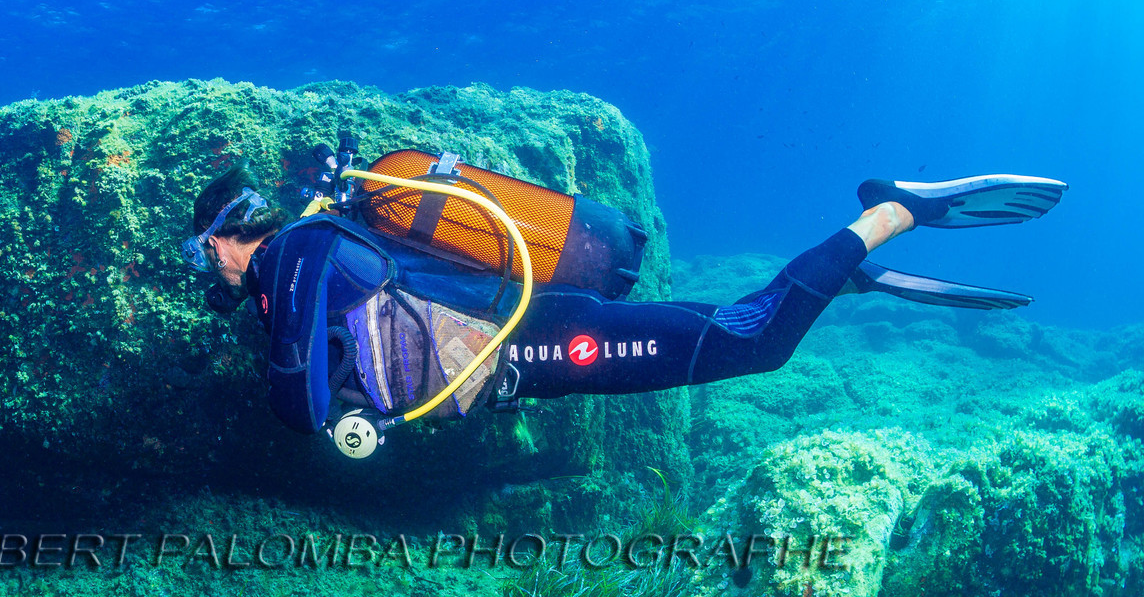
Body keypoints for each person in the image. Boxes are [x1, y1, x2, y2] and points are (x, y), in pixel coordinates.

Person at [183, 165, 1067, 439]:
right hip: (523, 359)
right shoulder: (312, 253)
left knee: (749, 345)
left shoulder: (296, 256)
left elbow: (297, 403)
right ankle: (850, 275)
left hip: (533, 339)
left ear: (231, 235)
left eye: (202, 251)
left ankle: (893, 213)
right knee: (731, 331)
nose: (206, 269)